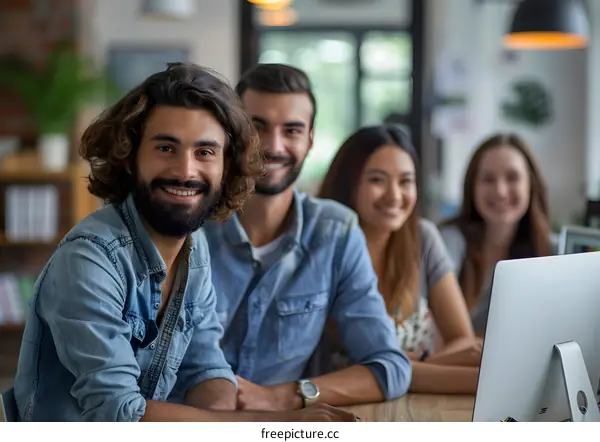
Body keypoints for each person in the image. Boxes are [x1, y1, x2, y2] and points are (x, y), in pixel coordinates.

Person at [12, 62, 356, 423]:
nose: (186, 171)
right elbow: (118, 414)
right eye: (166, 148)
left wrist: (226, 417)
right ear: (129, 156)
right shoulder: (88, 260)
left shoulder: (195, 248)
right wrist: (272, 426)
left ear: (227, 167)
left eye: (205, 152)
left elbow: (206, 368)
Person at [203, 64, 411, 411]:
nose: (274, 145)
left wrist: (282, 395)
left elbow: (389, 367)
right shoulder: (190, 224)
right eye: (258, 127)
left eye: (293, 130)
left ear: (310, 139)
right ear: (233, 133)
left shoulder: (335, 231)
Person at [318, 125, 481, 394]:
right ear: (349, 184)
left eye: (405, 181)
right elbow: (359, 371)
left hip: (415, 408)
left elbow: (462, 340)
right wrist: (414, 369)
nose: (394, 196)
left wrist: (409, 366)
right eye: (377, 180)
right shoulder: (327, 245)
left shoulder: (422, 238)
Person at [438, 133, 553, 336]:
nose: (500, 191)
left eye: (512, 177)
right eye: (488, 179)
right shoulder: (446, 243)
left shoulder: (555, 252)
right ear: (472, 187)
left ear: (531, 185)